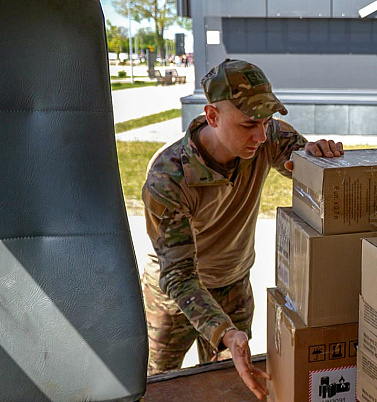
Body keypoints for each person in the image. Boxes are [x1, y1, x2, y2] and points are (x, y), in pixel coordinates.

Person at [141, 59, 343, 400]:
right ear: (212, 116)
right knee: (162, 383)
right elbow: (178, 275)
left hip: (233, 284)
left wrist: (315, 158)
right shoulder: (168, 178)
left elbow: (300, 160)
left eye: (266, 121)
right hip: (175, 299)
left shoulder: (267, 137)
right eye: (249, 124)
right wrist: (223, 331)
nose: (261, 135)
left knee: (234, 383)